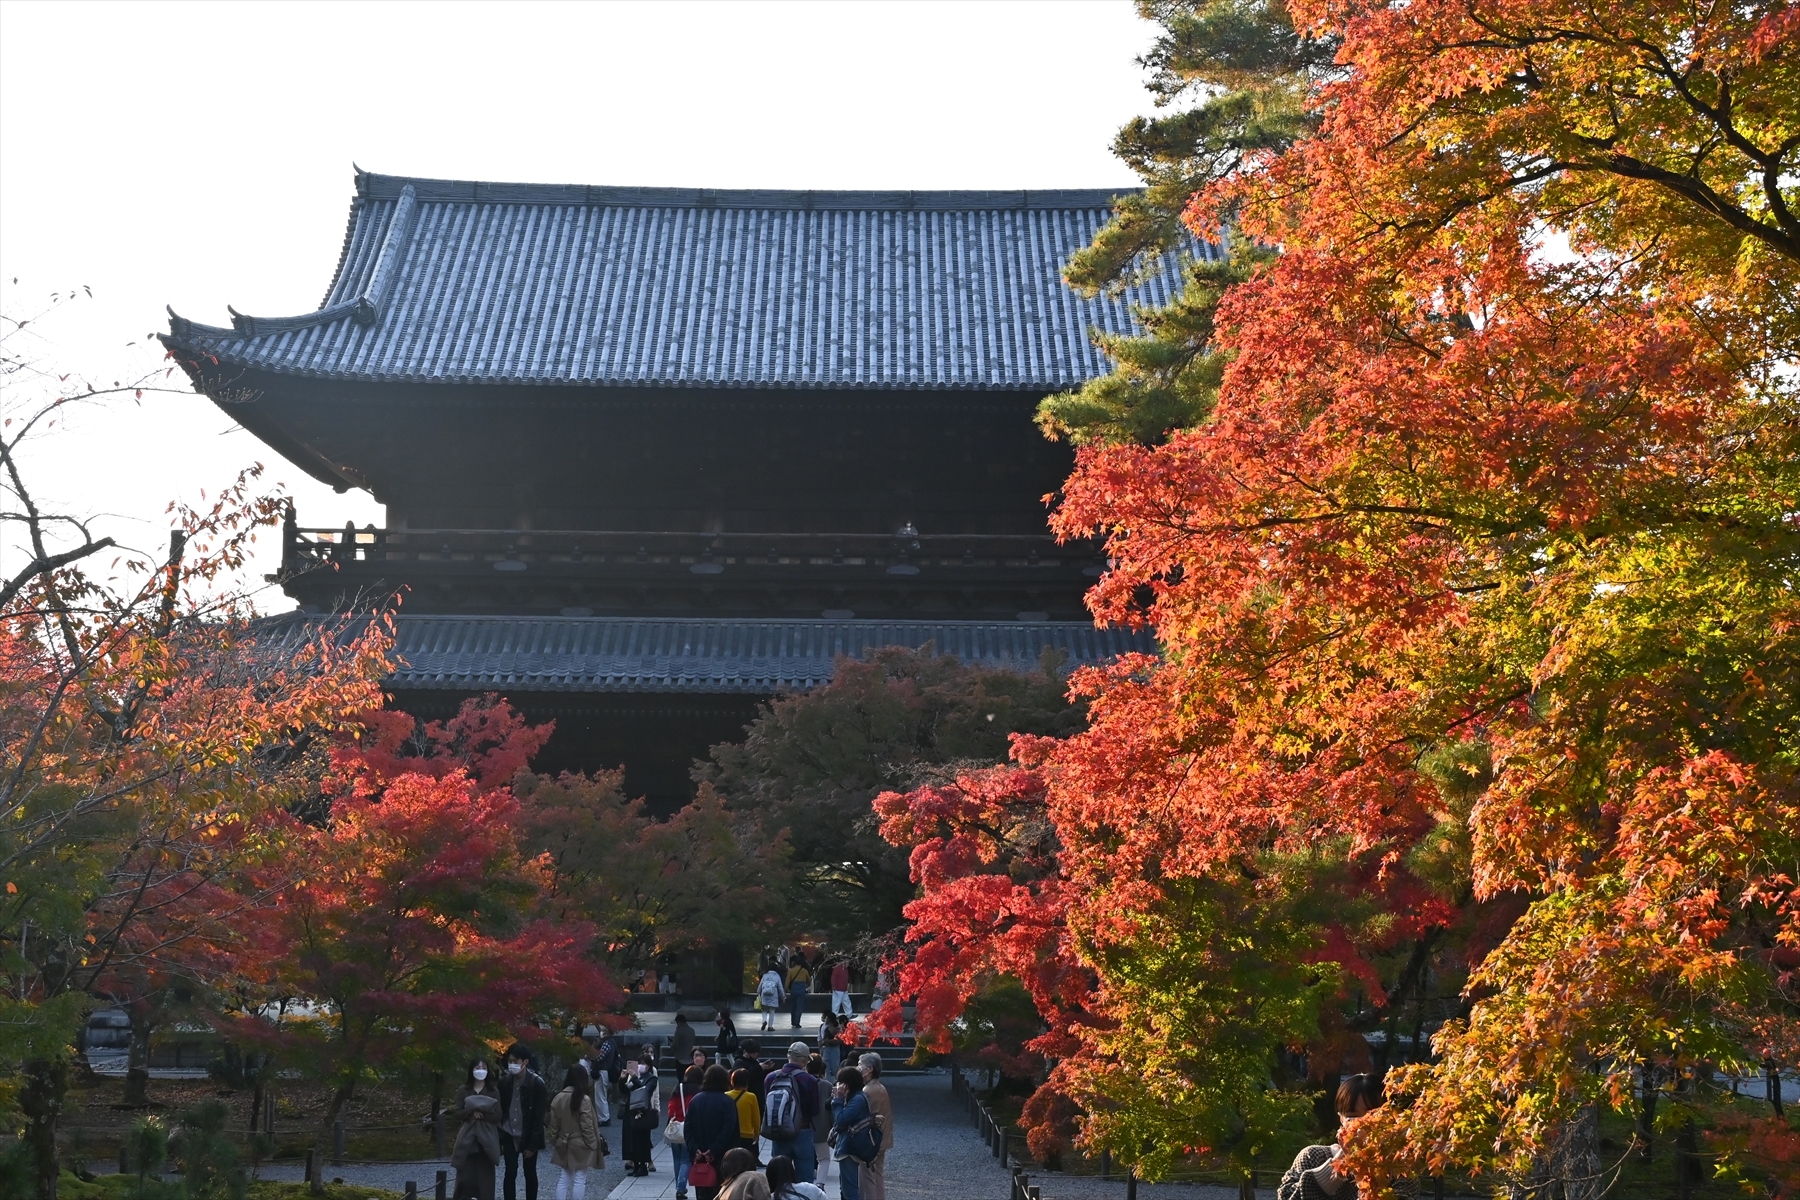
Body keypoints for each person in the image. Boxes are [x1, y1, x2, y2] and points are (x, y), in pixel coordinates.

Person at [1278, 1074, 1394, 1200]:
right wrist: (1340, 1163)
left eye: (1372, 1116)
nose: (1361, 1125)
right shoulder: (1313, 1157)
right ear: (1341, 1118)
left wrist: (1365, 1175)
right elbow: (1287, 1196)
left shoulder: (1399, 1165)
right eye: (1352, 1117)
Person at [762, 1041, 821, 1183]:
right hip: (803, 1131)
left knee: (780, 1179)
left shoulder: (770, 1078)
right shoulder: (809, 1080)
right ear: (804, 1060)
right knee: (805, 1180)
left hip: (779, 1131)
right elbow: (815, 1110)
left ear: (788, 1056)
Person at [683, 1064, 743, 1200]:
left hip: (699, 1156)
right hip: (722, 1156)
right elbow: (729, 1130)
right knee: (722, 1192)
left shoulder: (695, 1100)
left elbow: (688, 1129)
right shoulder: (727, 1102)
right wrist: (714, 1149)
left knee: (702, 1192)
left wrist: (695, 1149)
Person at [498, 1044, 550, 1200]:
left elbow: (538, 1117)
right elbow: (501, 1109)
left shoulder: (536, 1084)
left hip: (528, 1132)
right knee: (510, 1171)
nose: (512, 1064)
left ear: (525, 1062)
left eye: (516, 1061)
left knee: (530, 1172)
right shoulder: (505, 1082)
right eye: (510, 1061)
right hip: (509, 1131)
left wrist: (533, 1144)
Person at [546, 1064, 603, 1200]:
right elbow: (587, 1125)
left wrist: (556, 1141)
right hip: (581, 1142)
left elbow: (553, 1125)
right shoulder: (583, 1099)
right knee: (580, 1178)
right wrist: (592, 1143)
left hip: (564, 1141)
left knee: (564, 1177)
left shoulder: (558, 1098)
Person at [452, 1058, 503, 1200]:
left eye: (484, 1067)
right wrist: (471, 1113)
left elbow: (498, 1115)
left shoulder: (493, 1091)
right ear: (471, 1070)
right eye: (477, 1067)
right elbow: (458, 1113)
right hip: (467, 1140)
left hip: (487, 1140)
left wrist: (482, 1115)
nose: (481, 1070)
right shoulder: (463, 1090)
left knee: (485, 1182)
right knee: (465, 1180)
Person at [828, 1066, 877, 1200]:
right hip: (849, 1144)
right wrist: (836, 1098)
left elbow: (841, 1120)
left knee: (849, 1189)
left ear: (846, 1084)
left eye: (840, 1082)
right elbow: (828, 1108)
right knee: (845, 1187)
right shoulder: (853, 1097)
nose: (837, 1085)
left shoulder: (857, 1099)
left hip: (850, 1146)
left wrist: (838, 1100)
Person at [856, 1054, 892, 1200]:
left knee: (868, 1179)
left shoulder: (869, 1090)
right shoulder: (878, 1087)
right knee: (877, 1176)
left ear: (869, 1069)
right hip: (881, 1138)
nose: (858, 1067)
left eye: (860, 1065)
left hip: (872, 1141)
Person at [620, 1050, 660, 1176]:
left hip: (642, 1111)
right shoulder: (635, 1077)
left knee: (641, 1139)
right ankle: (635, 1164)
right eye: (640, 1063)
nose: (641, 1066)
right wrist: (622, 1079)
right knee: (630, 1139)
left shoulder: (652, 1078)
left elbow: (645, 1090)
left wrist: (635, 1078)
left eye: (644, 1063)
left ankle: (643, 1165)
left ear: (649, 1066)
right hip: (630, 1110)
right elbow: (625, 1090)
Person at [669, 1065, 703, 1200]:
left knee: (676, 1159)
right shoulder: (698, 1091)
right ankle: (681, 1187)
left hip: (675, 1127)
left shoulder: (679, 1088)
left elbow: (671, 1107)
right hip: (688, 1128)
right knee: (686, 1159)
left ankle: (679, 1186)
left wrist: (674, 1118)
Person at [805, 1055, 832, 1184]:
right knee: (824, 1158)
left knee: (803, 1158)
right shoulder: (826, 1085)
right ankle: (820, 1184)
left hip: (802, 1126)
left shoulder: (801, 1081)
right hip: (821, 1127)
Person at [726, 1068, 763, 1156]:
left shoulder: (726, 1095)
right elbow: (756, 1118)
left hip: (730, 1134)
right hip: (747, 1134)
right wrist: (756, 1134)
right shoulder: (751, 1096)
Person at [786, 956, 812, 1030]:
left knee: (793, 1006)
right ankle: (797, 1022)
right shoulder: (804, 971)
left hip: (793, 990)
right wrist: (806, 986)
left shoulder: (791, 971)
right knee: (799, 1006)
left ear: (794, 962)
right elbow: (809, 981)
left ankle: (793, 1021)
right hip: (801, 991)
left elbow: (787, 982)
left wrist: (787, 989)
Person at [758, 966, 785, 1031]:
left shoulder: (765, 976)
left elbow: (760, 985)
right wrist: (783, 996)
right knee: (772, 1011)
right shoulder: (777, 976)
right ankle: (770, 1027)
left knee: (764, 1010)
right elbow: (780, 987)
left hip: (764, 995)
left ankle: (764, 1021)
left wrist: (758, 992)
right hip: (773, 996)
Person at [819, 1014, 842, 1079]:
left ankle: (837, 1080)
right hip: (826, 1049)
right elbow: (823, 1039)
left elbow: (839, 1041)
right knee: (826, 1068)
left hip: (834, 1049)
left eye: (826, 1017)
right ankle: (827, 1081)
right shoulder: (826, 1028)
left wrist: (828, 1041)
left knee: (835, 1067)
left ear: (829, 1019)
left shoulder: (837, 1028)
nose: (825, 1019)